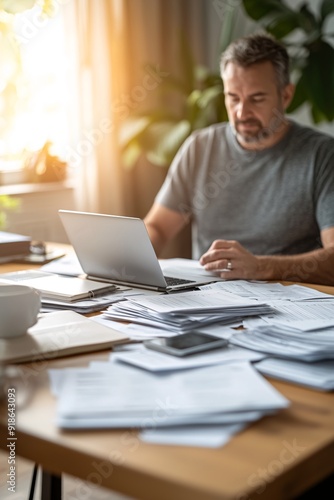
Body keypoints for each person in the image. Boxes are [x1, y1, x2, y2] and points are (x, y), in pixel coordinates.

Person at [144, 33, 334, 285]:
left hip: (288, 306)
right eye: (233, 98)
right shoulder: (200, 146)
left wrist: (261, 267)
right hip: (208, 303)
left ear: (286, 95)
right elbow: (157, 227)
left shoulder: (321, 155)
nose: (242, 112)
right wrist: (124, 261)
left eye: (257, 99)